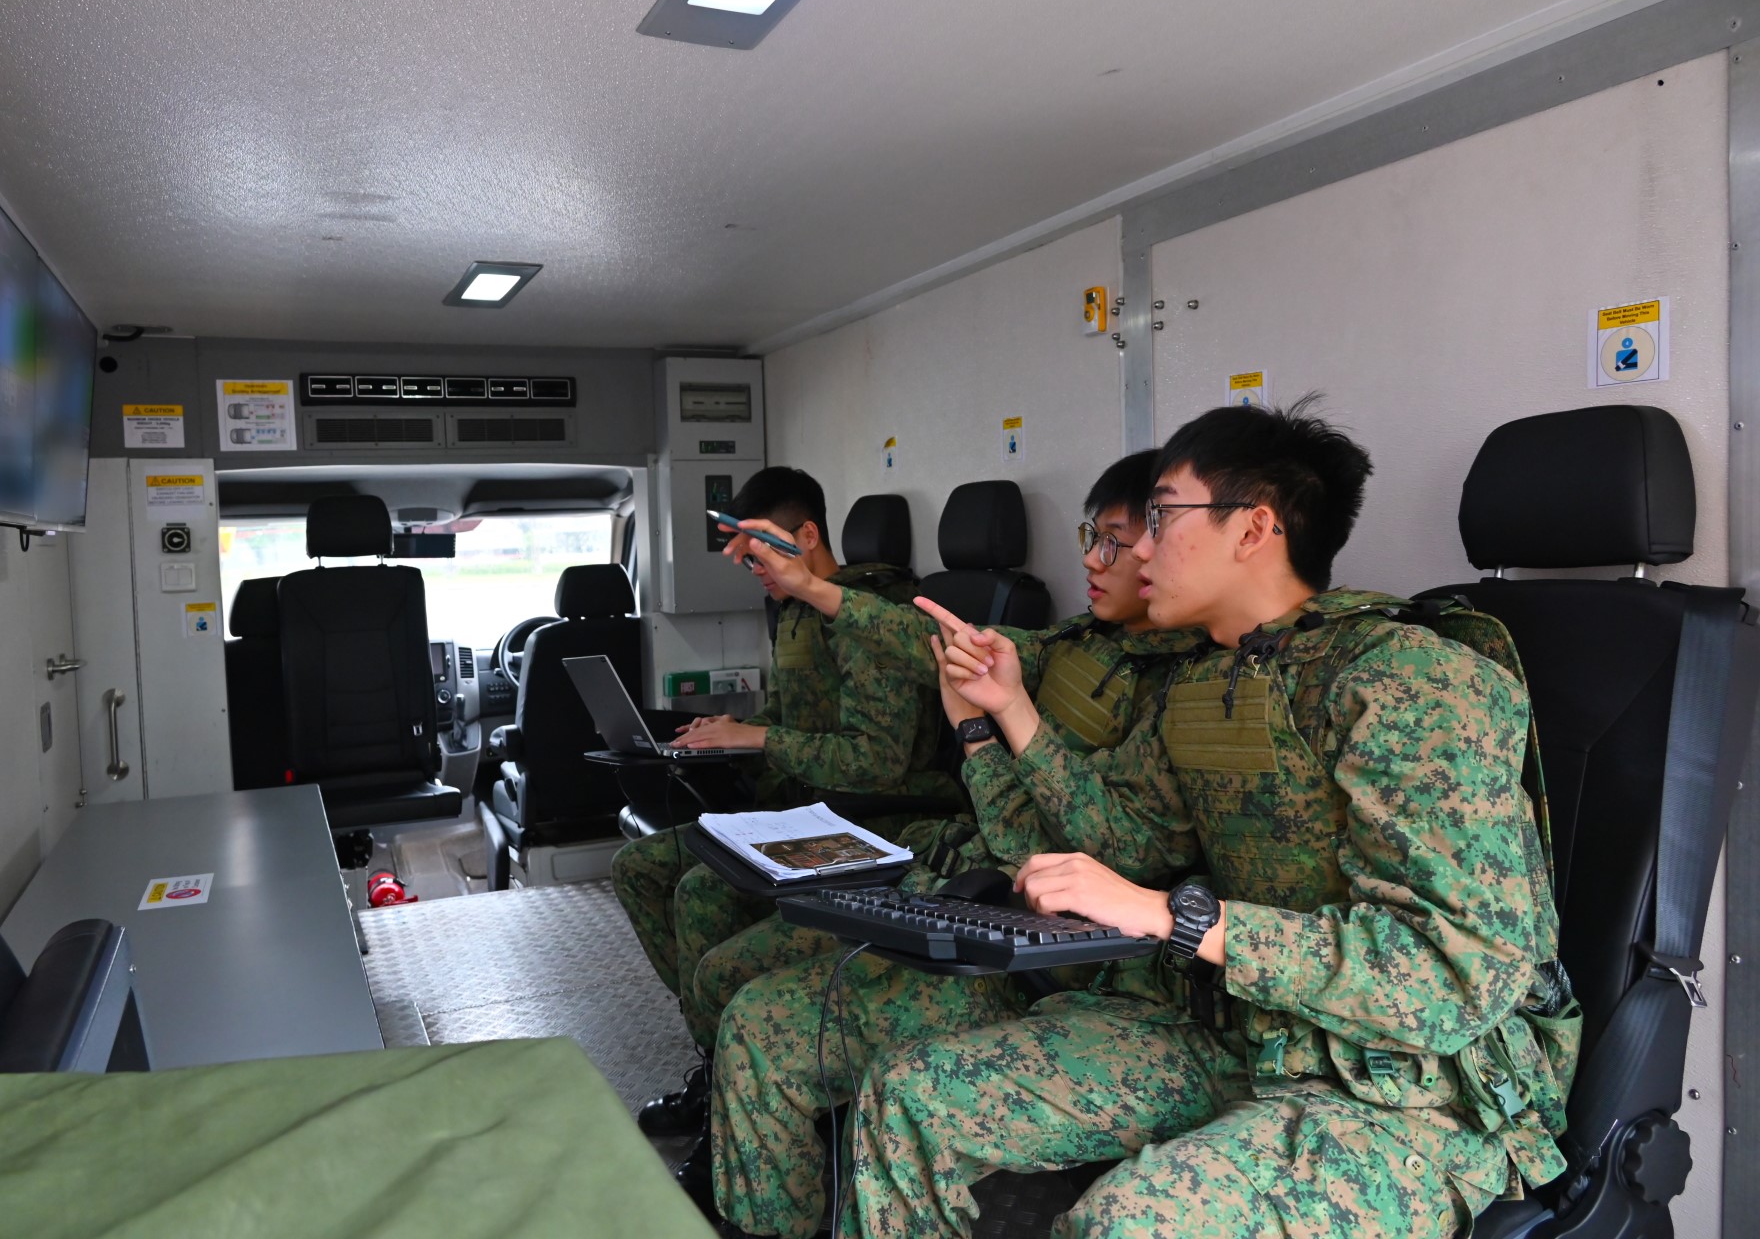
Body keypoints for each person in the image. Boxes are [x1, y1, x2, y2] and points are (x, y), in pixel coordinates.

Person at [847, 401, 1575, 1239]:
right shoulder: (1204, 685)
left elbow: (1452, 972)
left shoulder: (1409, 680)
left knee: (1127, 1226)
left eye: (1160, 518)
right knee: (907, 1097)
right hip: (1235, 1028)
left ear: (1254, 527)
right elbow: (1114, 846)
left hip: (1407, 1085)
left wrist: (1181, 918)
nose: (1137, 549)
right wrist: (1003, 713)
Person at [703, 451, 1201, 1237]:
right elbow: (935, 647)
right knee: (754, 1014)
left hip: (1072, 951)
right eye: (1094, 538)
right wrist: (818, 591)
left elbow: (1115, 851)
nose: (1096, 559)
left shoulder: (1198, 689)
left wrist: (990, 729)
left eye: (1119, 540)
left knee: (836, 1059)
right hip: (989, 899)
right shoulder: (1077, 644)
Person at [609, 466, 962, 1147]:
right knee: (641, 867)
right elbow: (792, 717)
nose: (755, 572)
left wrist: (761, 739)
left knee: (701, 894)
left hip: (876, 818)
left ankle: (732, 1099)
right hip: (803, 810)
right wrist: (730, 732)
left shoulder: (868, 617)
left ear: (806, 536)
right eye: (747, 559)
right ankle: (719, 1062)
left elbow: (877, 764)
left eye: (761, 555)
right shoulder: (798, 614)